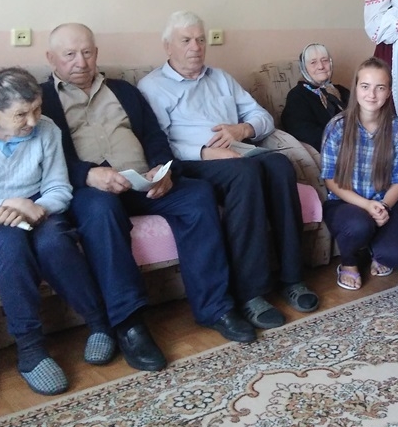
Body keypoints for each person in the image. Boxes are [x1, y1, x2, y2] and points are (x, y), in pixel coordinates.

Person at [41, 24, 255, 373]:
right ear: (51, 59)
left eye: (87, 52)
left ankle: (216, 307)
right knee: (101, 211)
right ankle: (130, 325)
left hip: (142, 181)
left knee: (198, 195)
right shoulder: (42, 100)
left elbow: (155, 136)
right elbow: (44, 156)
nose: (81, 61)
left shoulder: (124, 90)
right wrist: (87, 175)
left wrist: (162, 168)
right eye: (69, 55)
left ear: (96, 53)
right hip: (91, 190)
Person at [138, 12, 319, 331]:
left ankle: (292, 278)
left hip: (239, 153)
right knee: (244, 174)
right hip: (191, 163)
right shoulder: (152, 86)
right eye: (186, 40)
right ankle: (251, 293)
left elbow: (263, 118)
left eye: (200, 40)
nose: (195, 47)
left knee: (279, 165)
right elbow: (156, 142)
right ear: (168, 46)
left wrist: (242, 129)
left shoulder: (221, 78)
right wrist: (204, 152)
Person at [0, 68, 113, 396]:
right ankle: (31, 350)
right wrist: (5, 207)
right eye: (21, 114)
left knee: (54, 242)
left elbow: (58, 188)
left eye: (37, 109)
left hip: (36, 207)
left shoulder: (47, 129)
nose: (33, 121)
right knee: (11, 243)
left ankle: (99, 323)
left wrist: (37, 207)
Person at [320, 57, 398, 291]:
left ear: (388, 92)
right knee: (359, 225)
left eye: (380, 88)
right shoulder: (337, 126)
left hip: (385, 203)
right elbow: (330, 179)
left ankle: (374, 246)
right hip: (345, 204)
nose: (372, 94)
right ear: (356, 88)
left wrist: (383, 207)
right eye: (365, 86)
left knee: (394, 255)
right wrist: (367, 205)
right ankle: (349, 262)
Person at [281, 43, 349, 152]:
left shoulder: (340, 91)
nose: (321, 66)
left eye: (325, 60)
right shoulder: (297, 96)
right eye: (313, 62)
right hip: (332, 149)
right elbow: (304, 132)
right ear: (304, 68)